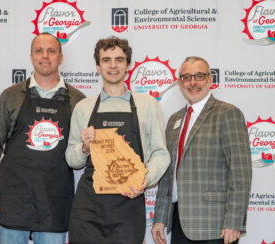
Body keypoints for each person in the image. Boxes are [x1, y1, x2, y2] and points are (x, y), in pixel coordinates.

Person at [0, 32, 85, 244]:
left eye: (51, 51)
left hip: (55, 204)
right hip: (13, 202)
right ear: (31, 56)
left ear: (61, 57)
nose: (45, 56)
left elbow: (83, 154)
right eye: (39, 51)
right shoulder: (11, 96)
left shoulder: (77, 101)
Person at [65, 36, 170, 244]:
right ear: (97, 66)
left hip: (128, 207)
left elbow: (160, 153)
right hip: (88, 209)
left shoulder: (147, 105)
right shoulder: (84, 108)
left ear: (128, 65)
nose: (113, 66)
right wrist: (84, 148)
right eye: (106, 60)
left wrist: (145, 180)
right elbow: (71, 159)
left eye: (119, 60)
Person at [151, 56, 252, 244]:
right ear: (180, 83)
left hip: (216, 227)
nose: (192, 82)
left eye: (199, 76)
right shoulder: (174, 120)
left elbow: (241, 173)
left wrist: (234, 222)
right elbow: (167, 176)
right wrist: (160, 218)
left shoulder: (227, 113)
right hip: (179, 222)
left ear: (210, 80)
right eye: (186, 77)